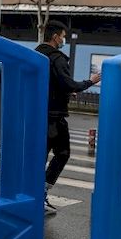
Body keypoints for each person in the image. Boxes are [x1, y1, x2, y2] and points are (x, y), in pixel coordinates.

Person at [35, 21, 100, 216]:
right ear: (55, 37)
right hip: (54, 117)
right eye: (62, 36)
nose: (63, 40)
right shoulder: (57, 58)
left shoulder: (37, 54)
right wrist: (91, 82)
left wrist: (64, 93)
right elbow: (68, 83)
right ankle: (42, 193)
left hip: (38, 113)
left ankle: (34, 195)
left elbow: (51, 83)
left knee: (40, 157)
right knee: (62, 153)